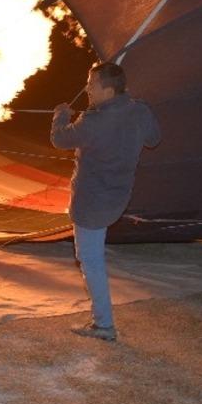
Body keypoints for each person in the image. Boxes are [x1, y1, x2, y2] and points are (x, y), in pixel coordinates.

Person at [51, 62, 161, 341]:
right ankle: (102, 321)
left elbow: (60, 140)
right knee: (92, 255)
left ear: (109, 90)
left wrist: (61, 116)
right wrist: (140, 107)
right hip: (118, 197)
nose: (87, 88)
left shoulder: (94, 122)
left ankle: (104, 325)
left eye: (92, 84)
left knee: (90, 260)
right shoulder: (138, 111)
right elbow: (154, 138)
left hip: (92, 202)